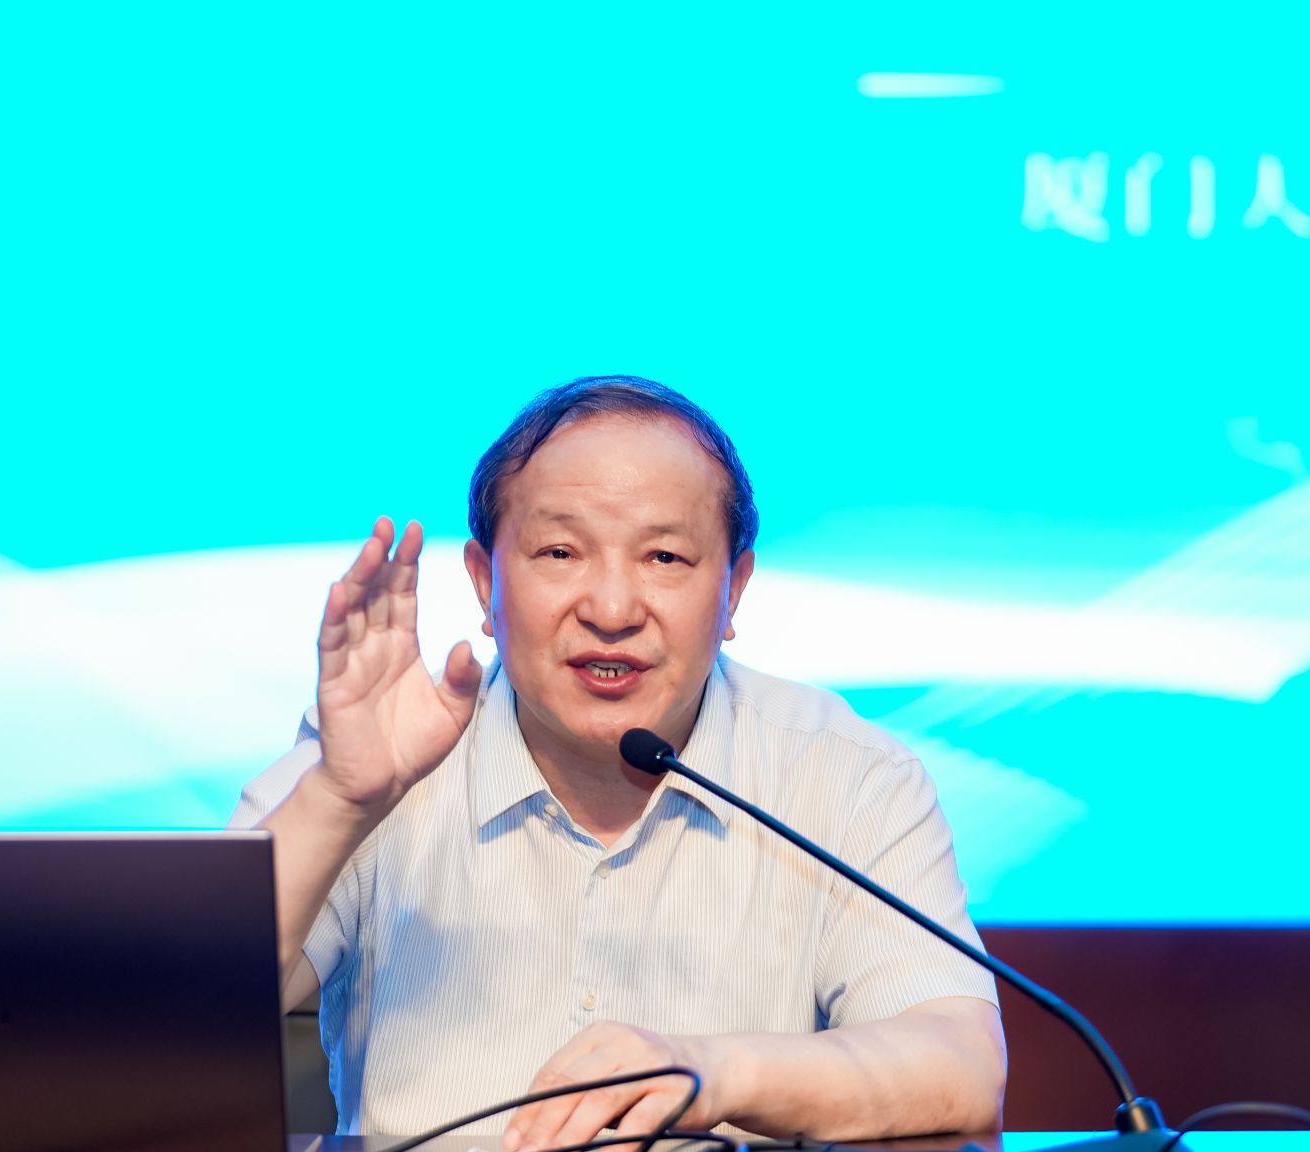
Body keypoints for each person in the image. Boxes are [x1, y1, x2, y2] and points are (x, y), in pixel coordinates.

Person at [229, 376, 1005, 1145]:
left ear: (733, 590)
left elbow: (962, 1071)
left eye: (664, 556)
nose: (611, 610)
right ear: (484, 581)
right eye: (560, 552)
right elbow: (182, 1016)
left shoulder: (845, 774)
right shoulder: (374, 751)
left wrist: (713, 1072)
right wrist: (341, 798)